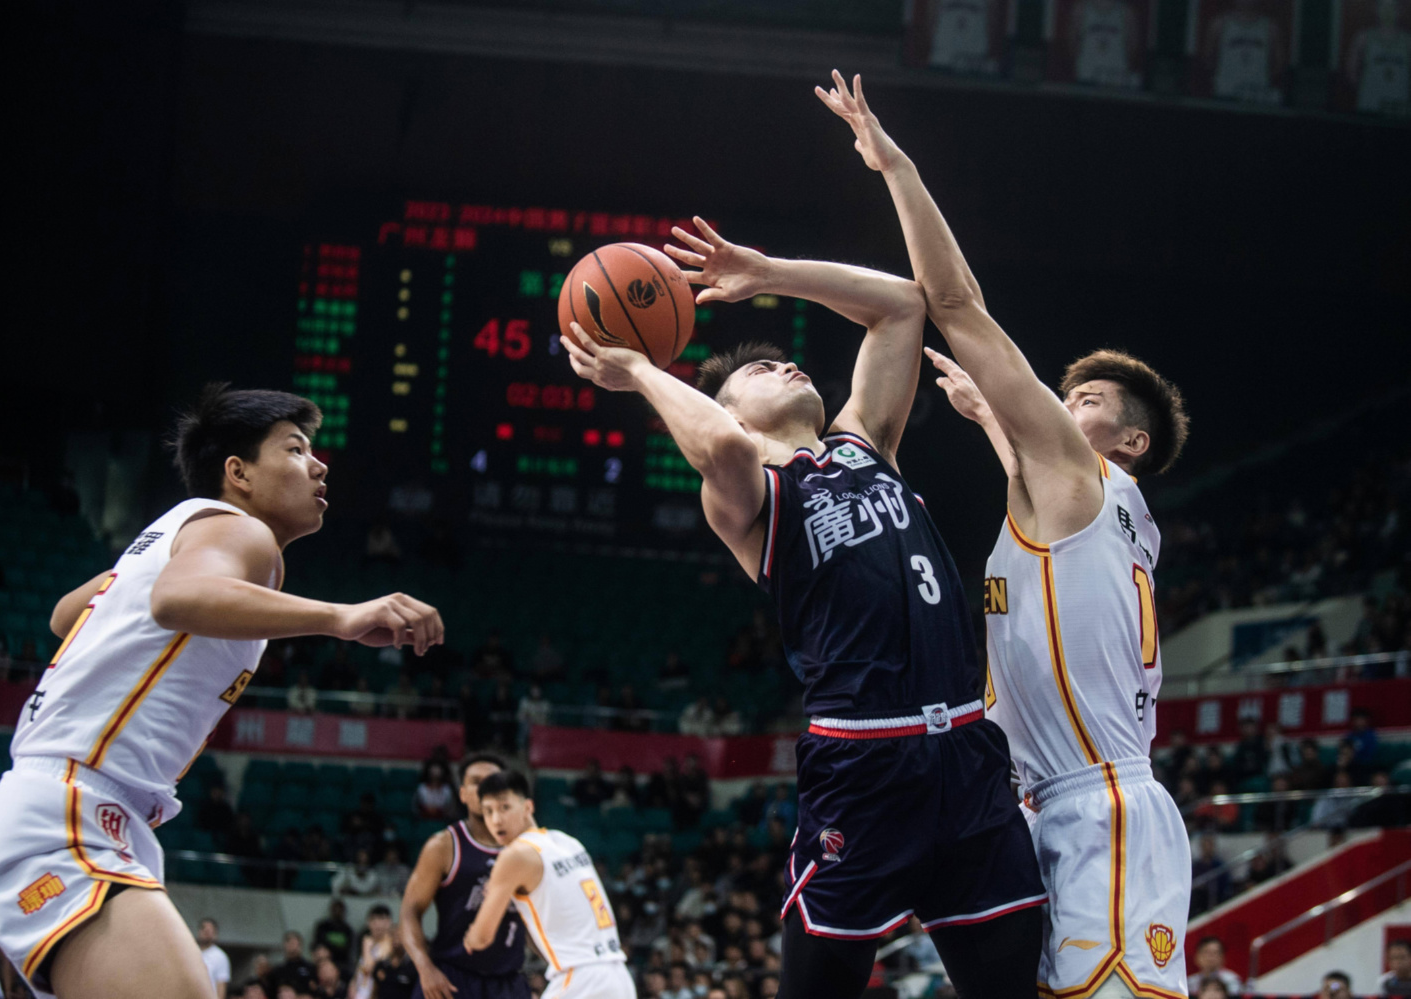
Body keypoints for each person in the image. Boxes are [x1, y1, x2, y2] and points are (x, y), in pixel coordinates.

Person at [566, 207, 1043, 996]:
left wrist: (767, 273)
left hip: (967, 754)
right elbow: (717, 442)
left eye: (784, 361)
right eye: (759, 373)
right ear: (733, 409)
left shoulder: (867, 440)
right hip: (864, 761)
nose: (786, 366)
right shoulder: (749, 493)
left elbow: (900, 303)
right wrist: (643, 371)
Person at [816, 69, 1193, 999]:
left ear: (1130, 441)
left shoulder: (1080, 482)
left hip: (1101, 811)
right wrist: (990, 418)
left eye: (1087, 401)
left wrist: (896, 168)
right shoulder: (1089, 510)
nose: (1064, 408)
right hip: (1045, 803)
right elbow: (1043, 485)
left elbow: (957, 304)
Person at [0, 384, 446, 999]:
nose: (319, 464)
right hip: (69, 812)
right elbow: (174, 600)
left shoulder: (183, 532)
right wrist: (340, 618)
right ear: (237, 472)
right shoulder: (242, 532)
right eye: (296, 449)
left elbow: (65, 615)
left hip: (80, 808)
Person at [464, 771, 633, 999]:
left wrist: (469, 936)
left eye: (505, 808)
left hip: (581, 981)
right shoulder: (568, 842)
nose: (496, 820)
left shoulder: (515, 856)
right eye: (488, 812)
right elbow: (551, 937)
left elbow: (481, 938)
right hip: (618, 977)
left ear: (527, 807)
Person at [399, 753, 526, 999]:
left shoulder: (526, 849)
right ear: (463, 793)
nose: (485, 788)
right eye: (477, 782)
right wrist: (425, 968)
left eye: (493, 781)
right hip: (452, 979)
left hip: (508, 983)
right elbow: (409, 913)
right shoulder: (443, 846)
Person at [1203, 0, 1286, 104]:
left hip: (1259, 96)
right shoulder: (1219, 24)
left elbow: (1279, 63)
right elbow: (1208, 58)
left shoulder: (1271, 28)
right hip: (1224, 94)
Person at [1346, 0, 1411, 115]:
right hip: (1369, 106)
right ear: (1376, 9)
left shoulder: (1407, 41)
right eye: (1383, 6)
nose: (1388, 11)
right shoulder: (1363, 38)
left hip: (1400, 108)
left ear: (1399, 11)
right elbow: (1351, 72)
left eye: (1392, 7)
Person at [350, 905, 396, 999]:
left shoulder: (390, 945)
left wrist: (366, 948)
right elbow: (360, 970)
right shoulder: (370, 942)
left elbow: (369, 969)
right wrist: (352, 985)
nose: (377, 924)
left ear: (389, 922)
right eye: (374, 920)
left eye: (381, 919)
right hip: (360, 992)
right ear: (368, 923)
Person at [271, 931, 315, 998]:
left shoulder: (310, 968)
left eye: (295, 943)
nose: (293, 946)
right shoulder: (278, 970)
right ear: (285, 945)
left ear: (300, 945)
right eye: (290, 942)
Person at [314, 900, 355, 967]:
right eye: (335, 909)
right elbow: (318, 945)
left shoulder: (348, 930)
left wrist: (331, 948)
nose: (337, 912)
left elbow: (347, 950)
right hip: (324, 961)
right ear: (331, 910)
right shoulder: (323, 926)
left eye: (340, 909)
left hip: (342, 963)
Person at [198, 918, 230, 999]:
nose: (206, 933)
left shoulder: (220, 957)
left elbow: (221, 985)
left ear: (215, 934)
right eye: (204, 929)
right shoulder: (192, 952)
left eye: (210, 931)